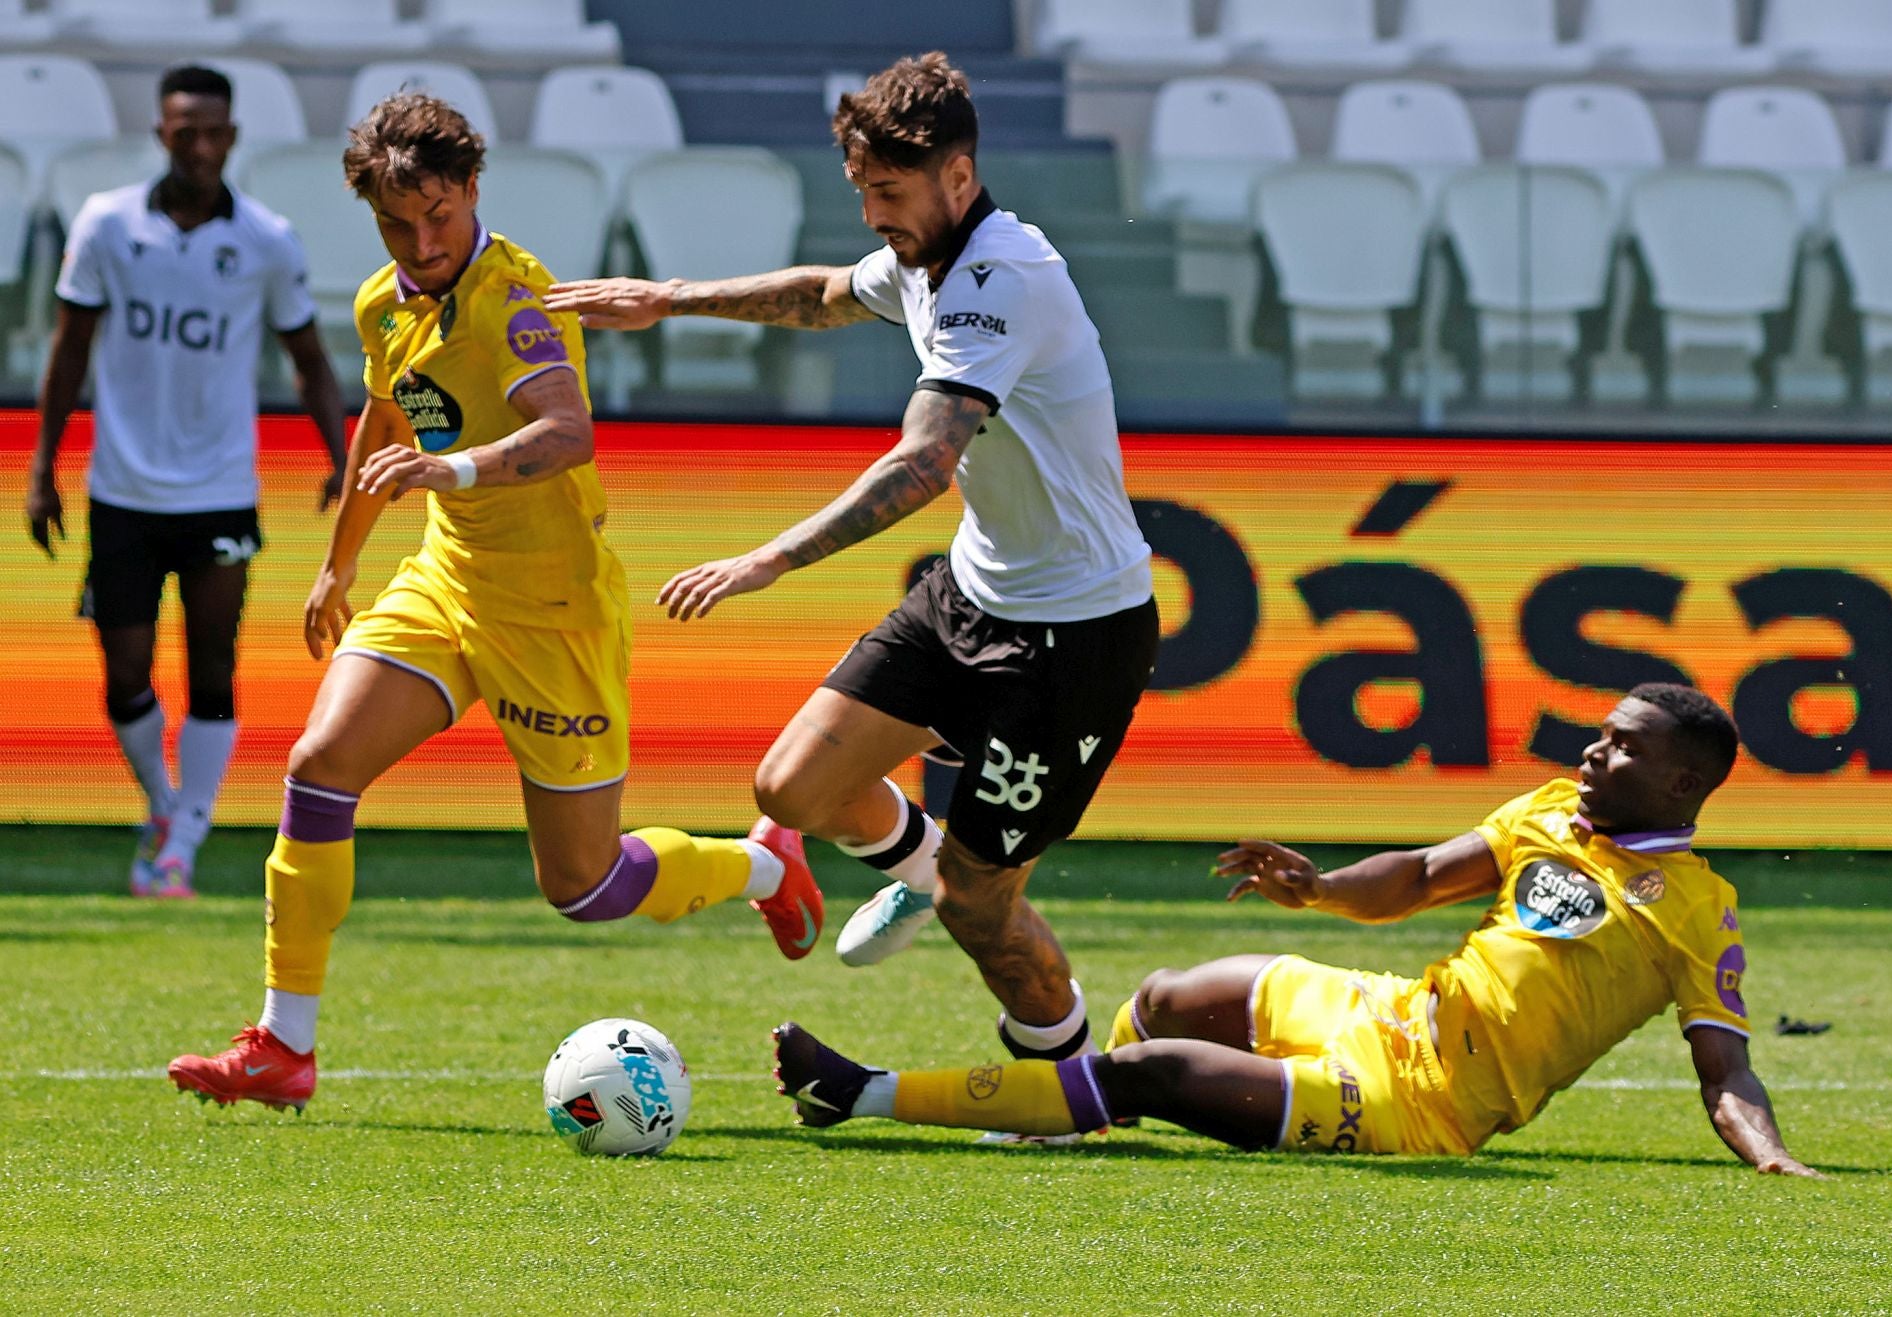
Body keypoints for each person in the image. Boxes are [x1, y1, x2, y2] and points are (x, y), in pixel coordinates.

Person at [166, 93, 820, 1114]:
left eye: (440, 216)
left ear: (474, 190)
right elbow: (386, 418)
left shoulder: (516, 301)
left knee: (587, 888)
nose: (422, 241)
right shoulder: (385, 302)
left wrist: (459, 471)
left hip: (551, 605)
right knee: (320, 766)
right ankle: (283, 1046)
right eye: (397, 222)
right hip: (447, 575)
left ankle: (761, 867)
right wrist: (338, 565)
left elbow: (567, 433)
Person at [546, 52, 1160, 1081]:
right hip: (974, 592)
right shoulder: (925, 259)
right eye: (863, 191)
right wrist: (670, 297)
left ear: (958, 179)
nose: (875, 213)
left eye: (889, 192)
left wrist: (769, 559)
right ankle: (923, 864)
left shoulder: (998, 280)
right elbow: (823, 294)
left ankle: (1065, 1077)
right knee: (790, 787)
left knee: (983, 910)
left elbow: (925, 462)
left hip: (1075, 640)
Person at [773, 685, 1822, 1176]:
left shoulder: (1696, 909)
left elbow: (1722, 1067)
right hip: (1390, 1014)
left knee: (1160, 1073)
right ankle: (1060, 1108)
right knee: (1174, 995)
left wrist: (1770, 1156)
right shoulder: (1548, 809)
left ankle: (859, 1094)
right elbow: (1414, 880)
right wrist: (1319, 890)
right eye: (1597, 738)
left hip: (1424, 1102)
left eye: (1621, 747)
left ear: (1683, 782)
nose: (1592, 756)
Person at [26, 64, 347, 899]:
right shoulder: (107, 224)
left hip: (220, 488)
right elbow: (69, 350)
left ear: (232, 137)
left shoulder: (267, 240)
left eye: (213, 131)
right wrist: (42, 467)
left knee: (212, 664)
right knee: (125, 672)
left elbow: (308, 360)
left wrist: (337, 453)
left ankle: (181, 844)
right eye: (183, 130)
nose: (199, 145)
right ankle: (166, 803)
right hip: (122, 488)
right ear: (161, 133)